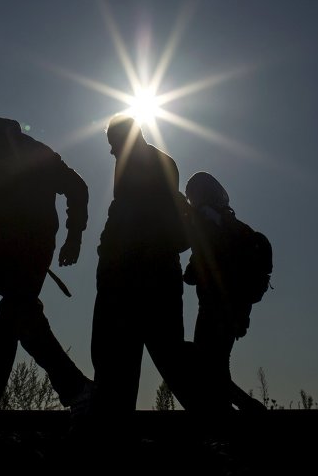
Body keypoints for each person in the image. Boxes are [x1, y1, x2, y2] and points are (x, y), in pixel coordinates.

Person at [0, 116, 93, 428]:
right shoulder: (4, 162)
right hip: (11, 250)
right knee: (7, 326)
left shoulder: (37, 156)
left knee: (21, 318)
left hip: (29, 249)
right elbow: (4, 199)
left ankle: (77, 389)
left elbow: (77, 187)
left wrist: (74, 237)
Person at [91, 114, 215, 420]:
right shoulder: (163, 163)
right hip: (161, 276)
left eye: (112, 143)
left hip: (130, 279)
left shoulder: (132, 168)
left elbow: (125, 220)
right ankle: (215, 422)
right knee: (169, 358)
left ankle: (112, 434)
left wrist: (107, 260)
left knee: (118, 362)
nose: (110, 151)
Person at [182, 171, 266, 412]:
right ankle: (230, 426)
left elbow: (199, 265)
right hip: (236, 308)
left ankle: (248, 409)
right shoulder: (229, 222)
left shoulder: (205, 219)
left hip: (213, 307)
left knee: (203, 364)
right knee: (217, 367)